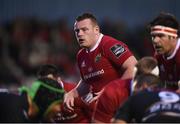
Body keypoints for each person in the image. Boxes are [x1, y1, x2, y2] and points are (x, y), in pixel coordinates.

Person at [64, 12, 137, 114]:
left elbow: (134, 67)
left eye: (84, 29)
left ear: (96, 30)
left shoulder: (109, 45)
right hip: (101, 110)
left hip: (121, 107)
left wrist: (111, 92)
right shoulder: (81, 55)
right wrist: (72, 93)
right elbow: (86, 81)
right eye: (77, 31)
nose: (80, 34)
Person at [93, 56, 159, 122]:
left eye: (150, 82)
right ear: (134, 78)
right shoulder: (113, 91)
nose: (144, 87)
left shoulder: (162, 94)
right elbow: (99, 121)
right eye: (140, 83)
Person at [23, 64, 90, 123]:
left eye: (50, 81)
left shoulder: (75, 91)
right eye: (43, 82)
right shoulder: (40, 99)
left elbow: (93, 112)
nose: (47, 85)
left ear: (58, 79)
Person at [113, 73, 180, 123]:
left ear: (144, 86)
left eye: (134, 90)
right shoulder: (176, 94)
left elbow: (119, 122)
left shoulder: (136, 97)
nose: (132, 93)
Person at [148, 12, 180, 90]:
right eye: (153, 36)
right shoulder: (158, 57)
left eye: (160, 35)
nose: (155, 40)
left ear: (174, 37)